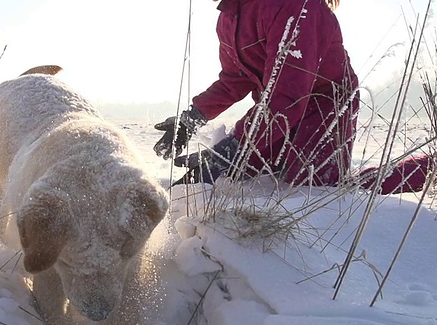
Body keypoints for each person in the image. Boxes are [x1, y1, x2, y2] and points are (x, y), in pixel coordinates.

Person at [154, 0, 432, 194]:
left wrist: (236, 147)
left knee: (314, 189)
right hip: (273, 109)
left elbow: (289, 94)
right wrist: (193, 117)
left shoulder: (293, 5)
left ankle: (430, 167)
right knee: (216, 177)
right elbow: (235, 79)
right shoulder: (228, 16)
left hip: (324, 104)